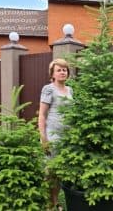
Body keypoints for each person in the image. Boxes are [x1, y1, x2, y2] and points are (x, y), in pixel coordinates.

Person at [38, 58, 73, 211]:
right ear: (52, 74)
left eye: (64, 69)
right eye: (59, 70)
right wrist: (43, 138)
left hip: (67, 137)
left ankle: (55, 201)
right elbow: (42, 115)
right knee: (50, 171)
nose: (62, 72)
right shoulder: (48, 89)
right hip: (53, 136)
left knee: (59, 173)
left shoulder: (70, 90)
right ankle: (49, 204)